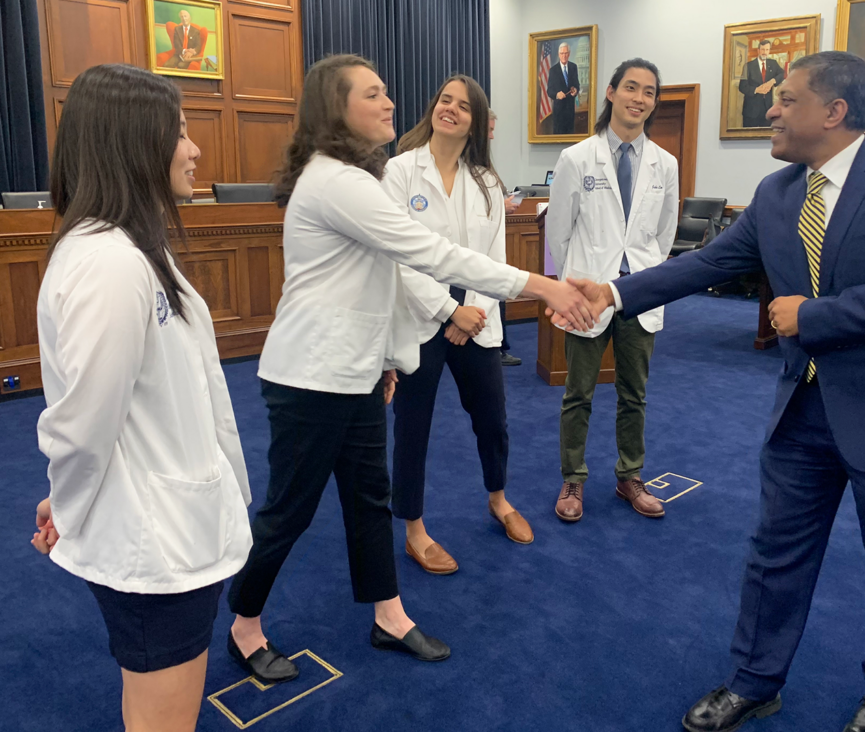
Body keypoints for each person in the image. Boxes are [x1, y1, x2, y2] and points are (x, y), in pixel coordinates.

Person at [562, 51, 865, 732]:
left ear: (833, 112)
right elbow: (709, 263)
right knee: (775, 556)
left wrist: (812, 316)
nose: (770, 110)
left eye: (785, 98)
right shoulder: (778, 193)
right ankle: (755, 680)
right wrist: (613, 292)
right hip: (802, 413)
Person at [225, 54, 593, 682]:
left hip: (357, 371)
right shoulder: (336, 181)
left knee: (371, 498)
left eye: (388, 90)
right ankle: (244, 626)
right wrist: (545, 286)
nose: (391, 103)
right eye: (373, 94)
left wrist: (387, 359)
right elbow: (427, 252)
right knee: (291, 509)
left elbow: (377, 279)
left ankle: (389, 615)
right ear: (336, 111)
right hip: (311, 377)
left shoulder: (354, 178)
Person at [30, 63, 253, 732]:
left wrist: (64, 497)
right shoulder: (109, 262)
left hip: (170, 526)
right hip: (154, 547)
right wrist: (68, 506)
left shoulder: (133, 248)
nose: (195, 150)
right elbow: (82, 424)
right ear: (133, 143)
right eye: (180, 133)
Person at [381, 75, 534, 576]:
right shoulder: (400, 172)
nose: (450, 109)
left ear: (476, 121)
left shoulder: (488, 182)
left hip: (477, 319)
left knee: (492, 420)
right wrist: (449, 312)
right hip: (421, 320)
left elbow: (494, 259)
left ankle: (498, 498)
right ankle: (415, 529)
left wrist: (470, 313)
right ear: (433, 108)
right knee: (413, 428)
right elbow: (396, 257)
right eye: (445, 100)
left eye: (463, 106)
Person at [548, 58, 680, 523]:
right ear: (610, 92)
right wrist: (566, 290)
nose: (639, 98)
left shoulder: (666, 164)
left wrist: (643, 275)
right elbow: (558, 233)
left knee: (634, 393)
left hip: (639, 295)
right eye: (630, 87)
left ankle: (630, 476)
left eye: (648, 92)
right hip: (588, 295)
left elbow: (664, 236)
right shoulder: (577, 158)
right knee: (578, 392)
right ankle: (573, 479)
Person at [488, 108, 523, 366]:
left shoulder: (484, 164)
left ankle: (500, 346)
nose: (491, 136)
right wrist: (502, 205)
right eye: (488, 130)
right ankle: (497, 348)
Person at [738, 40, 785, 128]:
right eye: (763, 50)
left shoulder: (773, 63)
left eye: (767, 50)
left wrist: (772, 82)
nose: (765, 52)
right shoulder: (748, 66)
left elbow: (783, 74)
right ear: (758, 50)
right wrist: (757, 90)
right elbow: (742, 87)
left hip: (767, 110)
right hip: (751, 111)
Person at [546, 42, 581, 135]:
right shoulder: (553, 70)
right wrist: (557, 95)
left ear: (569, 54)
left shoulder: (574, 67)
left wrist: (576, 91)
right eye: (562, 53)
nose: (564, 56)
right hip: (558, 112)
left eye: (566, 53)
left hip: (570, 111)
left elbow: (577, 85)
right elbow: (549, 91)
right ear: (559, 54)